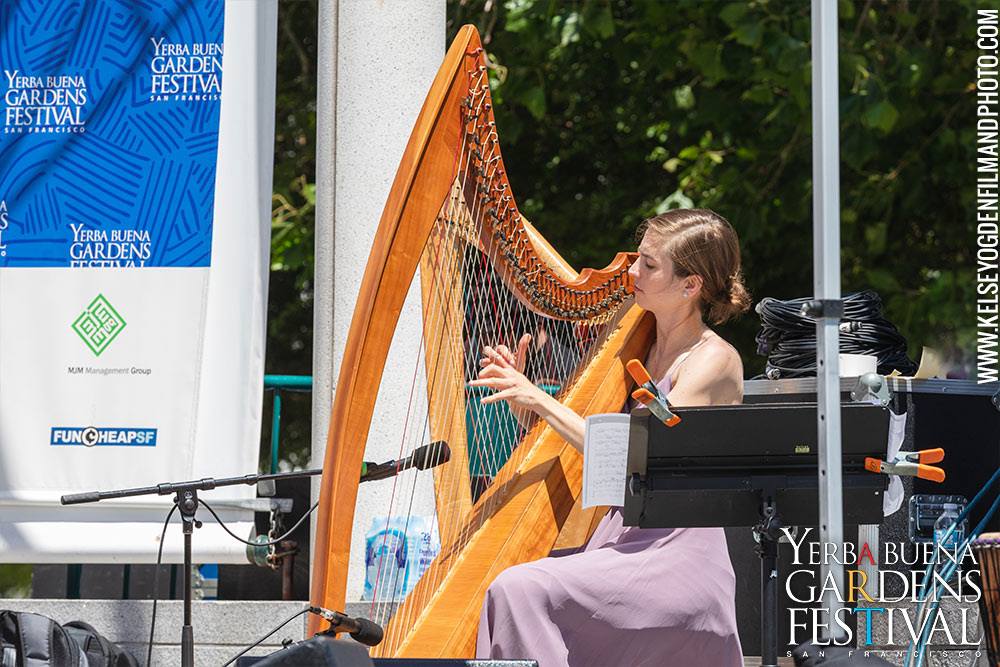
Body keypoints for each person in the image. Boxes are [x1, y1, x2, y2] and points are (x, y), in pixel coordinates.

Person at [469, 208, 753, 667]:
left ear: (691, 285)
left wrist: (542, 402)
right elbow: (588, 448)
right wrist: (525, 403)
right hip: (622, 541)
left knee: (518, 588)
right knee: (516, 586)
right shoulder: (638, 345)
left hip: (676, 555)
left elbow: (643, 456)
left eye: (648, 265)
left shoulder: (713, 361)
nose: (631, 272)